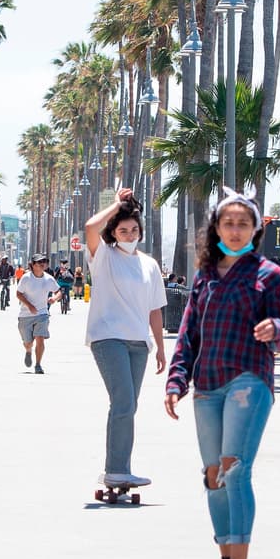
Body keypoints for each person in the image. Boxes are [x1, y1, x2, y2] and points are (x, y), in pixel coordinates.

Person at [165, 190, 280, 559]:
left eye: (243, 223)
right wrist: (176, 380)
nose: (236, 230)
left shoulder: (269, 274)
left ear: (256, 229)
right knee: (212, 475)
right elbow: (189, 333)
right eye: (229, 223)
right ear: (216, 228)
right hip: (207, 383)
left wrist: (275, 328)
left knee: (233, 468)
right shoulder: (205, 276)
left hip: (248, 379)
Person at [84, 188, 167, 490]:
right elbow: (91, 227)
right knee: (122, 401)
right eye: (123, 230)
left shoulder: (149, 265)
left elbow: (155, 308)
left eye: (134, 230)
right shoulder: (103, 256)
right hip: (108, 337)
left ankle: (119, 468)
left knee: (129, 406)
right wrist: (117, 204)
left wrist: (159, 346)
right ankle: (116, 469)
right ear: (114, 232)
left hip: (138, 343)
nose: (129, 235)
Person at [15, 253, 61, 374]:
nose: (42, 264)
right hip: (25, 315)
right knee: (28, 342)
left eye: (44, 262)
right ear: (33, 265)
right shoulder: (26, 278)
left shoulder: (48, 279)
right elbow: (18, 294)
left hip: (42, 314)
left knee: (40, 339)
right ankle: (28, 350)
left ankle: (38, 364)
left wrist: (54, 299)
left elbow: (58, 291)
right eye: (39, 262)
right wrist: (29, 305)